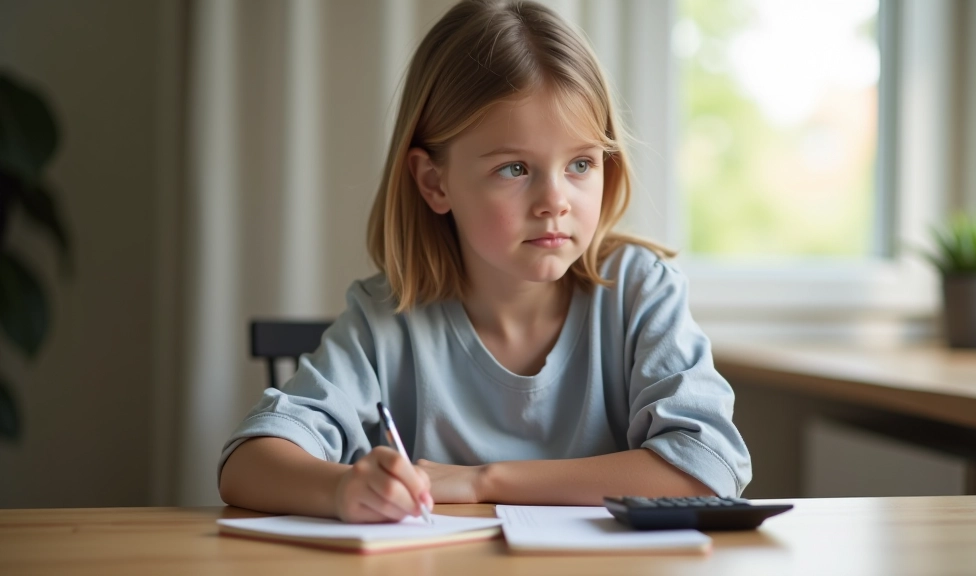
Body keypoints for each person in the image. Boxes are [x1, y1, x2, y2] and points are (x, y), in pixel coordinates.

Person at [218, 0, 751, 524]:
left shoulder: (639, 291)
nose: (555, 201)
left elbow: (708, 468)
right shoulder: (385, 321)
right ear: (435, 181)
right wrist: (345, 488)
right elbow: (246, 465)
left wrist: (483, 480)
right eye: (515, 168)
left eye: (581, 163)